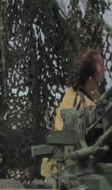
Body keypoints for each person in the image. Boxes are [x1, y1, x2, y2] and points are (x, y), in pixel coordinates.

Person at [40, 48, 106, 179]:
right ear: (90, 74)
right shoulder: (75, 101)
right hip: (60, 169)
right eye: (101, 65)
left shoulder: (90, 97)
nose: (105, 69)